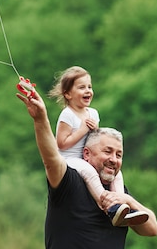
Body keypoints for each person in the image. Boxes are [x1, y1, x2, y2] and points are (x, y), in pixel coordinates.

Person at [17, 84, 157, 249]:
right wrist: (40, 119)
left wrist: (127, 198)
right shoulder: (68, 182)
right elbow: (50, 157)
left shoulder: (119, 193)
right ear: (86, 154)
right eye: (107, 151)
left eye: (119, 154)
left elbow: (152, 229)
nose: (114, 159)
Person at [48, 66, 148, 226]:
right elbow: (61, 144)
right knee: (89, 172)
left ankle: (121, 205)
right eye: (81, 87)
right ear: (68, 94)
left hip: (86, 155)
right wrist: (83, 130)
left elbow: (95, 139)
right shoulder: (67, 115)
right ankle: (108, 206)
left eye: (89, 86)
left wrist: (95, 130)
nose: (88, 91)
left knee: (117, 173)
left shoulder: (93, 113)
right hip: (70, 158)